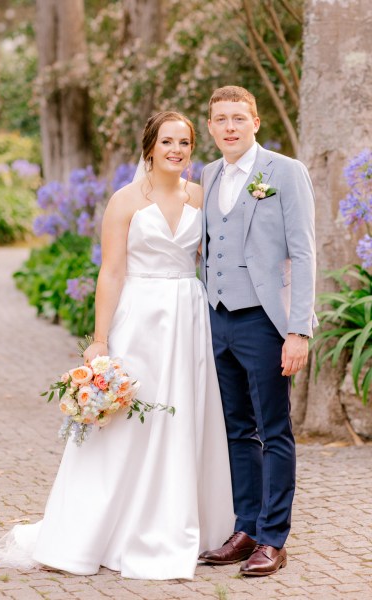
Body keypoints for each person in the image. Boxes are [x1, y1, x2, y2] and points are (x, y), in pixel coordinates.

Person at [0, 111, 235, 580]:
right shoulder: (123, 202)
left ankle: (179, 522)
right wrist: (100, 340)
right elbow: (112, 272)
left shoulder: (201, 196)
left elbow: (214, 260)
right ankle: (104, 529)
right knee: (129, 424)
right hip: (139, 319)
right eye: (167, 142)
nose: (177, 150)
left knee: (185, 415)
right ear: (150, 146)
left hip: (188, 314)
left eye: (184, 142)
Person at [198, 86, 317, 576]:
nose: (230, 126)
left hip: (265, 321)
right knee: (236, 429)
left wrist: (299, 330)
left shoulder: (285, 172)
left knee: (274, 429)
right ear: (210, 127)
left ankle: (273, 538)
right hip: (217, 318)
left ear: (255, 122)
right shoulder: (206, 175)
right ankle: (245, 527)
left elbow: (305, 252)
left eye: (238, 118)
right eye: (221, 119)